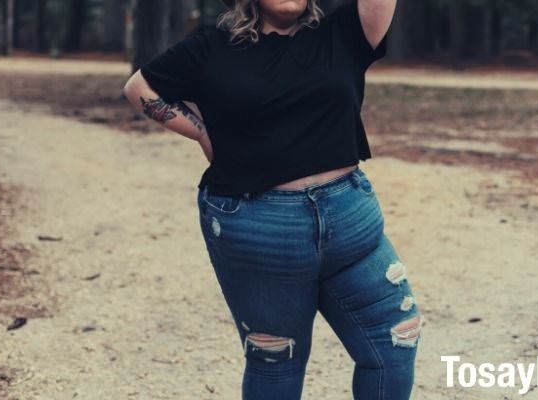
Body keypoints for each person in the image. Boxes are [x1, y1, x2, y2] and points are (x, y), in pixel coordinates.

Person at [123, 0, 422, 398]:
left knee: (395, 341)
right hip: (259, 229)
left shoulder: (343, 33)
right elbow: (139, 87)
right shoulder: (212, 47)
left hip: (352, 221)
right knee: (276, 362)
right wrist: (199, 132)